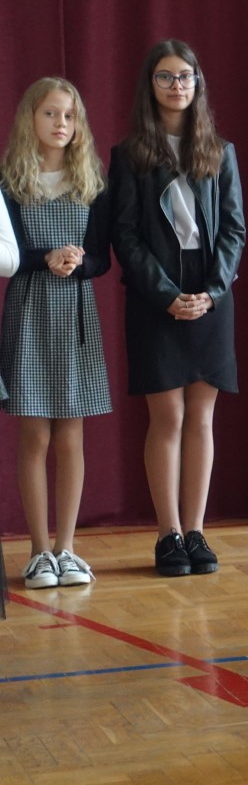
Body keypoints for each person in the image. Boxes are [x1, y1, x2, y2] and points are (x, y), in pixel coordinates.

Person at [110, 40, 245, 578]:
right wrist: (165, 294)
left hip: (210, 295)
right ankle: (167, 534)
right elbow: (124, 235)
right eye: (165, 77)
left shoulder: (221, 151)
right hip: (155, 297)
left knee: (202, 417)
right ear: (150, 85)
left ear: (197, 84)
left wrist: (213, 291)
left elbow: (234, 230)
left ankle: (196, 531)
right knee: (167, 416)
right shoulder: (129, 155)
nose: (176, 86)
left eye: (185, 76)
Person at [3, 79, 112, 590]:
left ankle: (67, 548)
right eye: (50, 113)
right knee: (36, 434)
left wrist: (78, 262)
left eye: (69, 115)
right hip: (28, 309)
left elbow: (102, 258)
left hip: (75, 312)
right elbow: (8, 255)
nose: (61, 124)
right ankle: (38, 551)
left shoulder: (90, 181)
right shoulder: (9, 182)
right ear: (31, 119)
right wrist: (45, 258)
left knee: (71, 434)